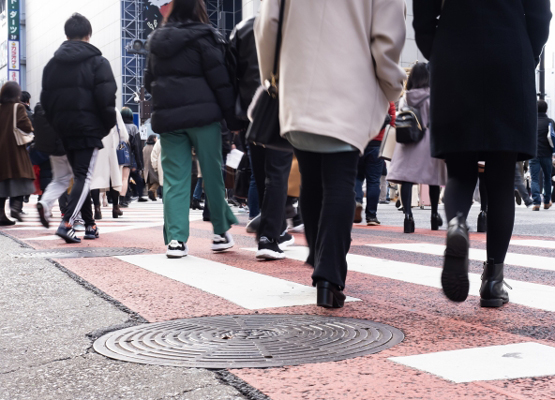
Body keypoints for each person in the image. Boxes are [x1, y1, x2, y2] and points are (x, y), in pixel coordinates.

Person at [256, 0, 407, 307]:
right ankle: (330, 275)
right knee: (340, 181)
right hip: (350, 89)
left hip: (298, 86)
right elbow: (386, 39)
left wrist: (271, 76)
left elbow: (268, 23)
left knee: (311, 180)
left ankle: (317, 253)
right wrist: (392, 86)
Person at [414, 0, 551, 308]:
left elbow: (424, 12)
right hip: (510, 53)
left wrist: (436, 51)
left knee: (460, 170)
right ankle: (493, 281)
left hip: (454, 54)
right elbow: (540, 14)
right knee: (501, 178)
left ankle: (457, 224)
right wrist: (528, 52)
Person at [145, 0, 239, 258]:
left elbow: (147, 81)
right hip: (204, 117)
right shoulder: (206, 36)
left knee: (175, 179)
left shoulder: (157, 40)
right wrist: (233, 120)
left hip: (170, 120)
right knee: (212, 174)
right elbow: (222, 82)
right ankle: (220, 232)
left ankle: (176, 241)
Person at [41, 13, 117, 243]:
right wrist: (104, 127)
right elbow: (107, 98)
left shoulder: (52, 65)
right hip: (89, 128)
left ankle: (89, 225)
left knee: (79, 177)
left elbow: (46, 102)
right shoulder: (99, 62)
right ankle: (67, 223)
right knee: (84, 177)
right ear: (88, 35)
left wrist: (58, 124)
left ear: (67, 35)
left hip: (64, 129)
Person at [230, 13, 294, 260]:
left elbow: (232, 74)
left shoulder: (243, 29)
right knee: (277, 174)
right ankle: (269, 236)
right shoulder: (290, 24)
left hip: (251, 110)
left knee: (260, 174)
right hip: (281, 106)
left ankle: (271, 227)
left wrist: (234, 117)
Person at [387, 63, 447, 233]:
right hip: (428, 140)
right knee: (433, 179)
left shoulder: (406, 97)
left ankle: (408, 217)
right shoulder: (433, 96)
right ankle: (434, 215)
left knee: (407, 179)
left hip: (408, 140)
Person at [355, 102, 395, 226]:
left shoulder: (360, 92)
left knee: (357, 177)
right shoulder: (386, 96)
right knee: (373, 181)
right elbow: (393, 120)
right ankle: (371, 216)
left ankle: (357, 202)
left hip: (359, 141)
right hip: (377, 144)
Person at [0, 82, 35, 226]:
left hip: (1, 151)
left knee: (2, 182)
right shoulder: (18, 107)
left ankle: (1, 214)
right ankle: (16, 206)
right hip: (15, 149)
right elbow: (25, 125)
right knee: (23, 176)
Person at [34, 103, 71, 228]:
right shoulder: (70, 99)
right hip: (71, 145)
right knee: (81, 179)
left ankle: (45, 203)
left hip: (54, 147)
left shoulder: (49, 99)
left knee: (59, 180)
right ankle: (76, 217)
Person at [90, 109, 128, 219]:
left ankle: (97, 209)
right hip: (112, 150)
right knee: (114, 179)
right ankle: (115, 208)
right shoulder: (114, 110)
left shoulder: (91, 109)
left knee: (95, 179)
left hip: (96, 148)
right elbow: (123, 134)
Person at [530, 100, 555, 211]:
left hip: (533, 153)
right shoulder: (550, 122)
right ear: (546, 109)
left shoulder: (531, 121)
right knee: (547, 178)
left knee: (534, 179)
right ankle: (546, 201)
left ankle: (536, 203)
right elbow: (554, 137)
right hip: (546, 154)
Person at [143, 134, 160, 201]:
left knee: (149, 182)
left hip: (146, 167)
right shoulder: (154, 147)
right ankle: (152, 191)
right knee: (157, 181)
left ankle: (153, 196)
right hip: (153, 166)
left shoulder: (145, 148)